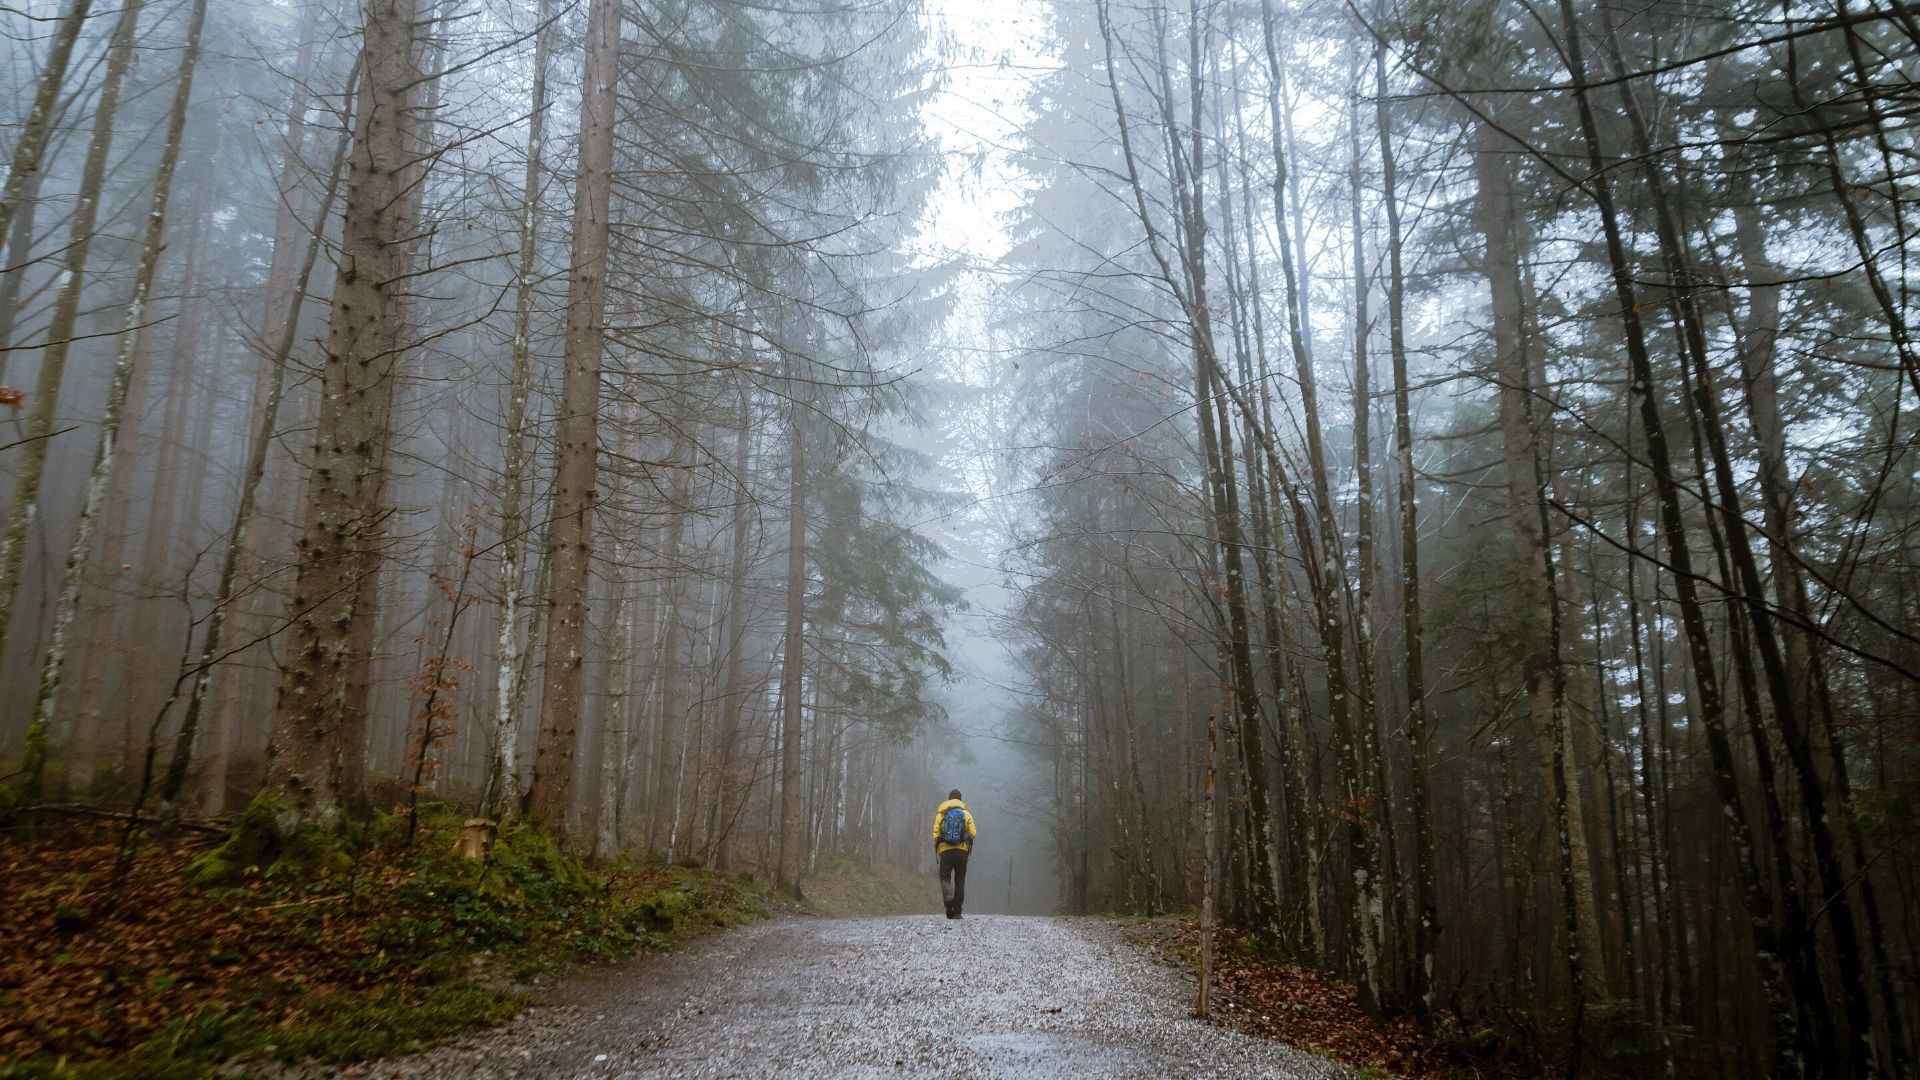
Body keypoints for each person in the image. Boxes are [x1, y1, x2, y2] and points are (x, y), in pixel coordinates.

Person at [932, 789, 977, 919]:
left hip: (945, 851)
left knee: (945, 877)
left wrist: (942, 841)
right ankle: (957, 911)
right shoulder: (966, 813)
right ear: (960, 800)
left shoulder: (941, 814)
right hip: (961, 851)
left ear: (949, 799)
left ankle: (948, 898)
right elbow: (973, 833)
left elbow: (935, 834)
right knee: (960, 880)